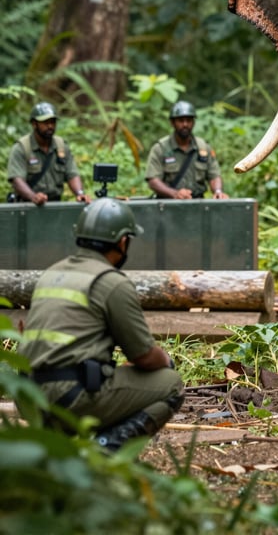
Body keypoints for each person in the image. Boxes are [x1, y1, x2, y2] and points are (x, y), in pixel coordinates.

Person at [18, 198, 184, 451]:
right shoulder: (111, 282)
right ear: (122, 241)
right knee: (171, 383)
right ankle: (104, 451)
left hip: (29, 397)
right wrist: (166, 360)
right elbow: (144, 356)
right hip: (69, 398)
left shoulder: (52, 273)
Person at [6, 102, 91, 205]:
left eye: (53, 122)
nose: (50, 126)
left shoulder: (61, 147)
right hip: (28, 206)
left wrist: (80, 193)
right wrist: (33, 197)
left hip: (54, 205)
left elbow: (72, 174)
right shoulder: (22, 148)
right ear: (34, 124)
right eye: (45, 122)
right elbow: (17, 180)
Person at [145, 101, 229, 199]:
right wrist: (175, 194)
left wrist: (218, 191)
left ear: (193, 122)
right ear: (172, 123)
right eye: (181, 120)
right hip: (168, 204)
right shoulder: (160, 148)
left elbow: (214, 175)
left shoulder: (203, 148)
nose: (185, 124)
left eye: (189, 120)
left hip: (197, 203)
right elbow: (153, 180)